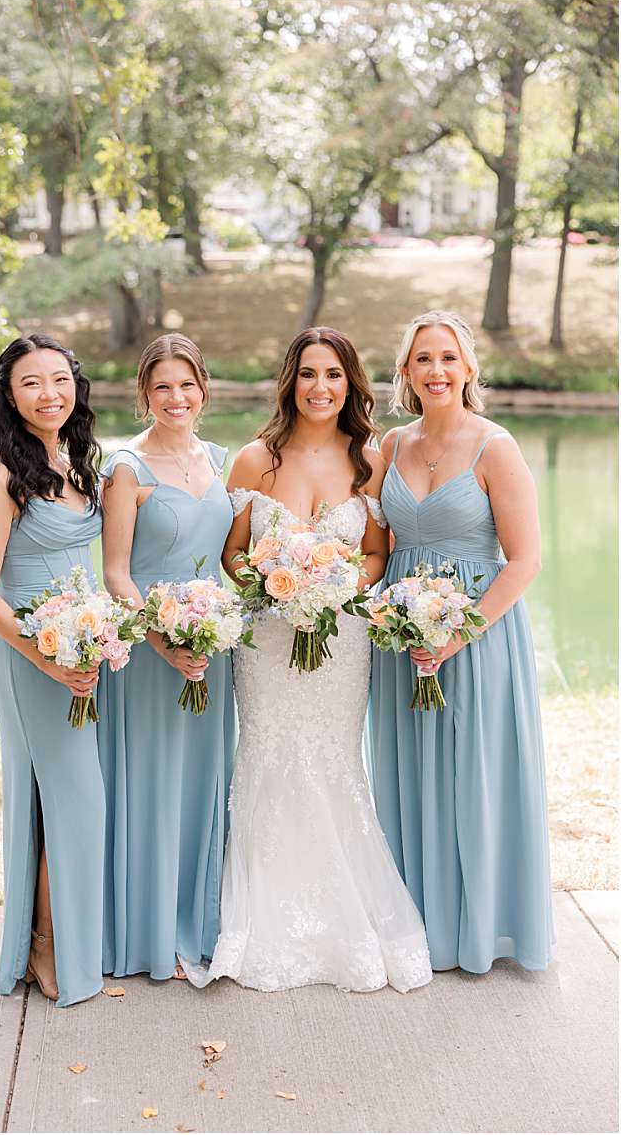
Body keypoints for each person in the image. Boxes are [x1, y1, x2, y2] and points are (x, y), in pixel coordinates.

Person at [198, 326, 431, 993]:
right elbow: (233, 551)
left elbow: (377, 555)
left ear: (350, 384)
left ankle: (348, 917)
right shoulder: (253, 462)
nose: (320, 387)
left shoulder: (369, 462)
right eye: (308, 374)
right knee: (269, 759)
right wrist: (272, 580)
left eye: (333, 374)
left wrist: (335, 585)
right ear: (290, 382)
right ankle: (264, 919)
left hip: (342, 641)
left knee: (333, 762)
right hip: (267, 641)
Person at [368, 310, 552, 973]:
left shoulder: (494, 446)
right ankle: (418, 922)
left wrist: (456, 634)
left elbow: (525, 560)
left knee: (471, 772)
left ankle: (476, 929)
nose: (435, 371)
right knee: (408, 770)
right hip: (400, 636)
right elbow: (369, 539)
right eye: (422, 359)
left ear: (469, 368)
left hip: (476, 634)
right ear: (405, 371)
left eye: (448, 358)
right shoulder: (391, 446)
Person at [0, 333, 106, 1008]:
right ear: (10, 396)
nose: (48, 393)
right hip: (32, 657)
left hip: (83, 652)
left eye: (59, 380)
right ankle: (44, 948)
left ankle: (60, 941)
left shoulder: (79, 465)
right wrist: (45, 655)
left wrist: (99, 639)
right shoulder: (0, 479)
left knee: (72, 806)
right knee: (72, 804)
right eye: (31, 383)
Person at [98, 332, 235, 982]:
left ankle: (198, 926)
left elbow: (231, 558)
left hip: (214, 652)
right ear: (144, 395)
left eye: (186, 385)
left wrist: (217, 629)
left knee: (202, 785)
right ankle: (150, 935)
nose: (175, 398)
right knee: (151, 786)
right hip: (150, 656)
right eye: (162, 387)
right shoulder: (128, 467)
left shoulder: (220, 459)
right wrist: (163, 639)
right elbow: (116, 573)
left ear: (203, 388)